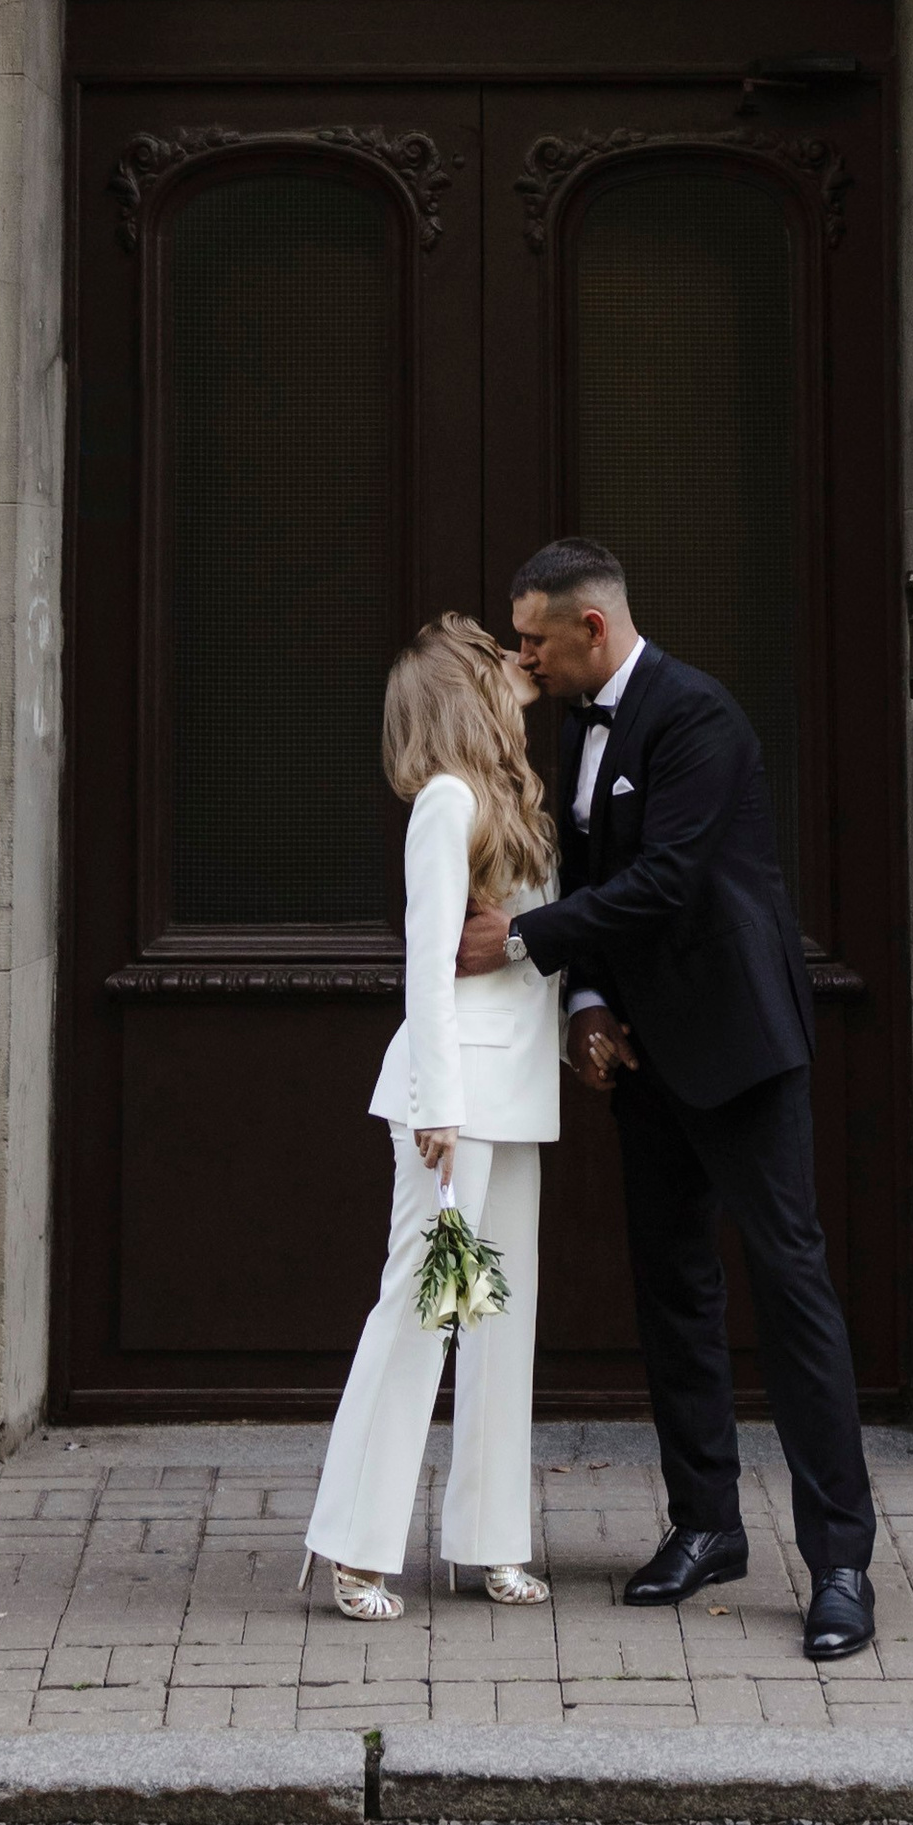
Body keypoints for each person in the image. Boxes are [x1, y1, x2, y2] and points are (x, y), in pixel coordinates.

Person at [460, 537, 878, 1662]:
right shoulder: (577, 722)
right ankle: (706, 1527)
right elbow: (598, 882)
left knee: (789, 1289)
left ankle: (840, 1561)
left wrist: (524, 943)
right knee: (673, 1290)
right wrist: (588, 1004)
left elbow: (672, 879)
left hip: (739, 1043)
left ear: (591, 628)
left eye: (536, 639)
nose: (524, 658)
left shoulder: (697, 716)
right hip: (644, 1053)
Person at [301, 614, 563, 1620]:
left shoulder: (512, 801)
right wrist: (436, 1110)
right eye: (495, 651)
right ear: (464, 688)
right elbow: (426, 969)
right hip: (453, 1103)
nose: (516, 657)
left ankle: (489, 1542)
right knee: (419, 1316)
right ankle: (355, 1548)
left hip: (520, 1096)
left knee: (505, 1328)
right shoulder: (446, 805)